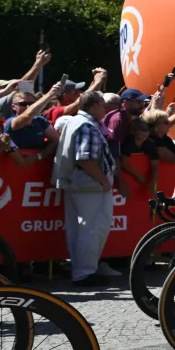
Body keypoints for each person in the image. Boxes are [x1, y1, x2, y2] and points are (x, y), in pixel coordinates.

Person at [53, 91, 120, 285]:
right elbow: (85, 159)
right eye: (102, 104)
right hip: (90, 184)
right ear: (93, 105)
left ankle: (82, 270)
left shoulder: (75, 121)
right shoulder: (86, 125)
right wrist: (104, 181)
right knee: (92, 229)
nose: (105, 108)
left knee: (80, 229)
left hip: (79, 183)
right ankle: (85, 272)